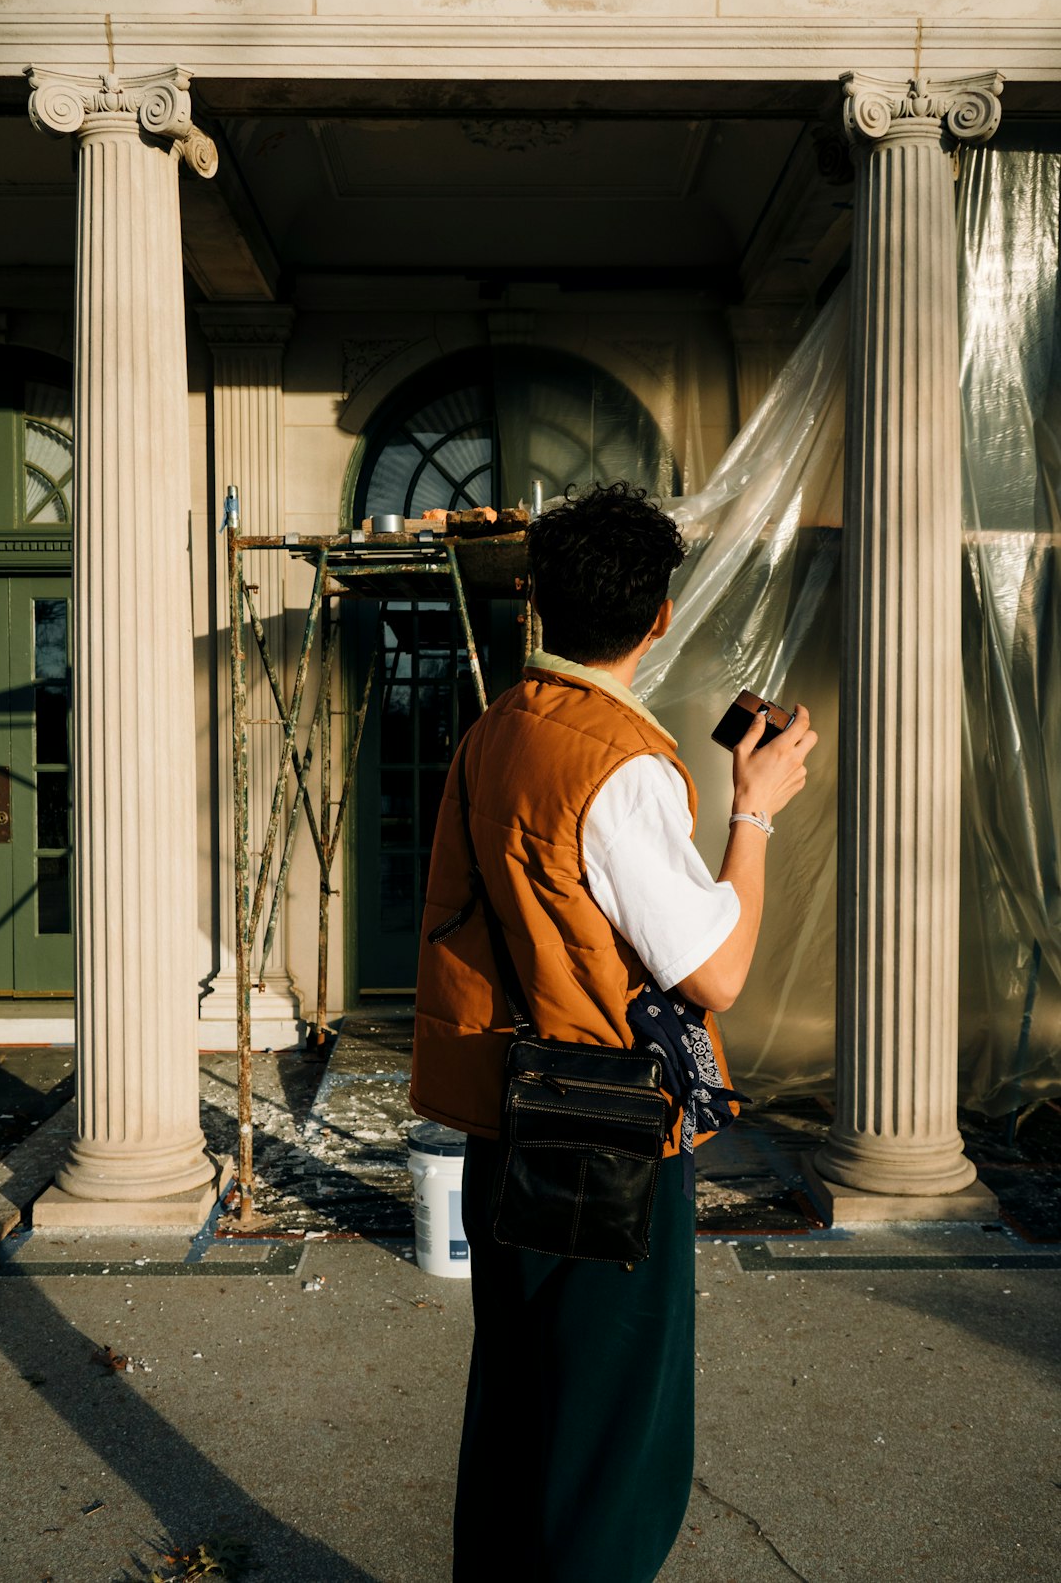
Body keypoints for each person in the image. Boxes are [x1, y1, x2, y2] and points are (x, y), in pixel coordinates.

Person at [411, 481, 817, 1583]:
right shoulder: (621, 766)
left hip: (508, 1112)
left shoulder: (496, 729)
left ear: (536, 603)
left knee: (519, 1411)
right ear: (661, 618)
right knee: (611, 1450)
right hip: (606, 1138)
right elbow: (717, 972)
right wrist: (756, 807)